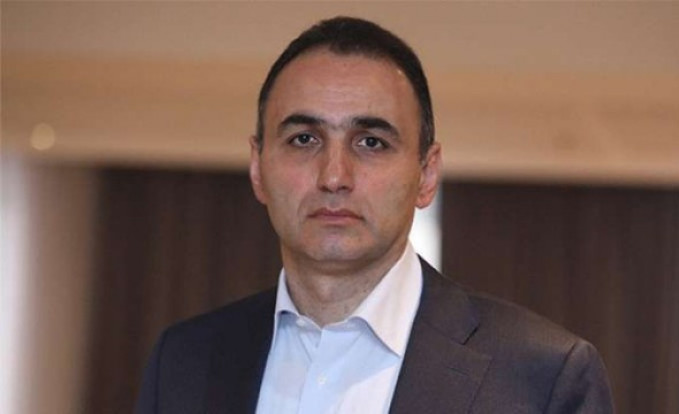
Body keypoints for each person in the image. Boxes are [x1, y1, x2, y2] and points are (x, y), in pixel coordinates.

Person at [135, 16, 614, 414]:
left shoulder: (543, 378)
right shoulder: (184, 360)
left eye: (371, 142)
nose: (334, 176)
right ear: (258, 169)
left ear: (426, 174)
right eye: (304, 139)